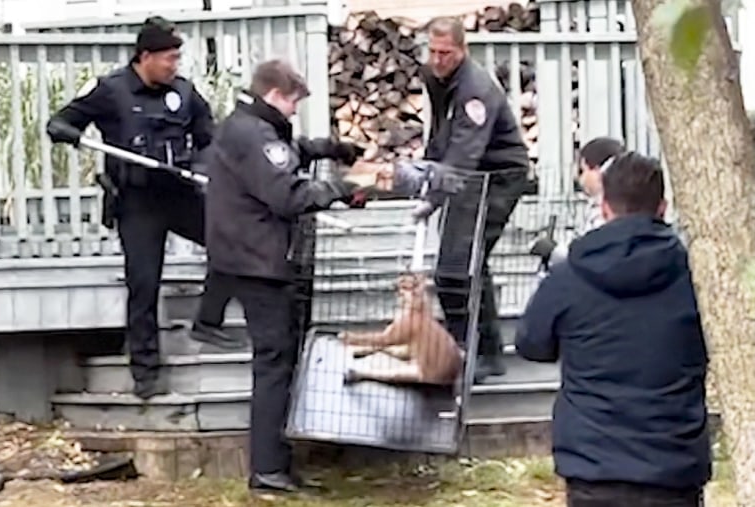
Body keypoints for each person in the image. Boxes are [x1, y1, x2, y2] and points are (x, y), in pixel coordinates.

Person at [197, 59, 373, 493]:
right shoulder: (255, 135)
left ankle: (275, 463)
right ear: (276, 95)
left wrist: (329, 149)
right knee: (275, 362)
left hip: (248, 256)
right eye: (293, 102)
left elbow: (286, 152)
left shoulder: (248, 126)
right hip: (258, 262)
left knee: (280, 359)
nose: (294, 111)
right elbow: (284, 192)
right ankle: (268, 470)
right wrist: (341, 187)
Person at [46, 16, 229, 400]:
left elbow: (208, 138)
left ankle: (208, 321)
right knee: (143, 284)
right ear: (145, 57)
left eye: (177, 59)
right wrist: (67, 132)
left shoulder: (183, 92)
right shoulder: (110, 91)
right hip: (137, 202)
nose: (174, 66)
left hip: (179, 193)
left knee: (230, 241)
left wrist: (198, 165)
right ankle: (145, 371)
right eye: (168, 58)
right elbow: (62, 120)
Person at [515, 152, 711, 507]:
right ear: (662, 207)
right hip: (673, 464)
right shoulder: (698, 277)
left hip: (594, 463)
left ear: (604, 207)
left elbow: (531, 344)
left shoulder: (569, 276)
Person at [385, 16, 532, 383]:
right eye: (433, 52)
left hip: (497, 176)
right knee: (465, 265)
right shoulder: (434, 76)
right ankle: (474, 348)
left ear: (462, 50)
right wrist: (429, 168)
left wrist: (432, 196)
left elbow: (465, 153)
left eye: (446, 53)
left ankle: (481, 351)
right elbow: (441, 129)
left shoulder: (476, 89)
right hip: (465, 175)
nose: (438, 60)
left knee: (458, 266)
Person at [529, 136, 625, 268]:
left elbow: (592, 252)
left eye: (582, 170)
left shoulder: (610, 208)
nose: (580, 179)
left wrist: (554, 252)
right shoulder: (612, 203)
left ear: (598, 170)